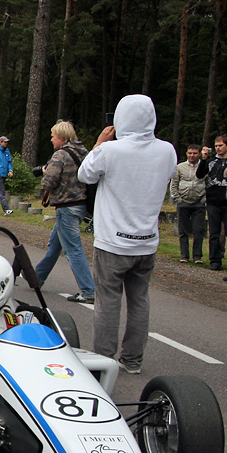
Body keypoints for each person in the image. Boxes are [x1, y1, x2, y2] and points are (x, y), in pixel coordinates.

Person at [78, 94, 177, 375]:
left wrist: (99, 144)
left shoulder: (110, 151)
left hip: (113, 240)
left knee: (108, 301)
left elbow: (85, 175)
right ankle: (132, 360)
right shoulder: (167, 151)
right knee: (139, 300)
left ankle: (103, 359)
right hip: (147, 240)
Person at [34, 121, 95, 304]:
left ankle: (89, 291)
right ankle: (36, 278)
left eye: (53, 136)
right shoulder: (83, 152)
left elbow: (49, 182)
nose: (51, 139)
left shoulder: (60, 155)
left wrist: (44, 172)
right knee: (55, 246)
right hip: (80, 205)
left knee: (73, 250)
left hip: (66, 206)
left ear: (61, 137)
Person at [196, 136, 227, 270]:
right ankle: (215, 260)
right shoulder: (211, 161)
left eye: (221, 145)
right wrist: (203, 159)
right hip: (213, 201)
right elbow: (199, 175)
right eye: (216, 146)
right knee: (214, 233)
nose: (218, 148)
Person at [169, 144, 206, 264]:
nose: (192, 155)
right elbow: (174, 184)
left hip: (198, 203)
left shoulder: (204, 167)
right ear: (186, 153)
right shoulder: (180, 167)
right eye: (190, 153)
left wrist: (204, 199)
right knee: (183, 231)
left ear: (199, 154)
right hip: (183, 202)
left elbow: (208, 183)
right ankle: (184, 255)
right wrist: (178, 199)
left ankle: (197, 256)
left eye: (194, 153)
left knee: (198, 230)